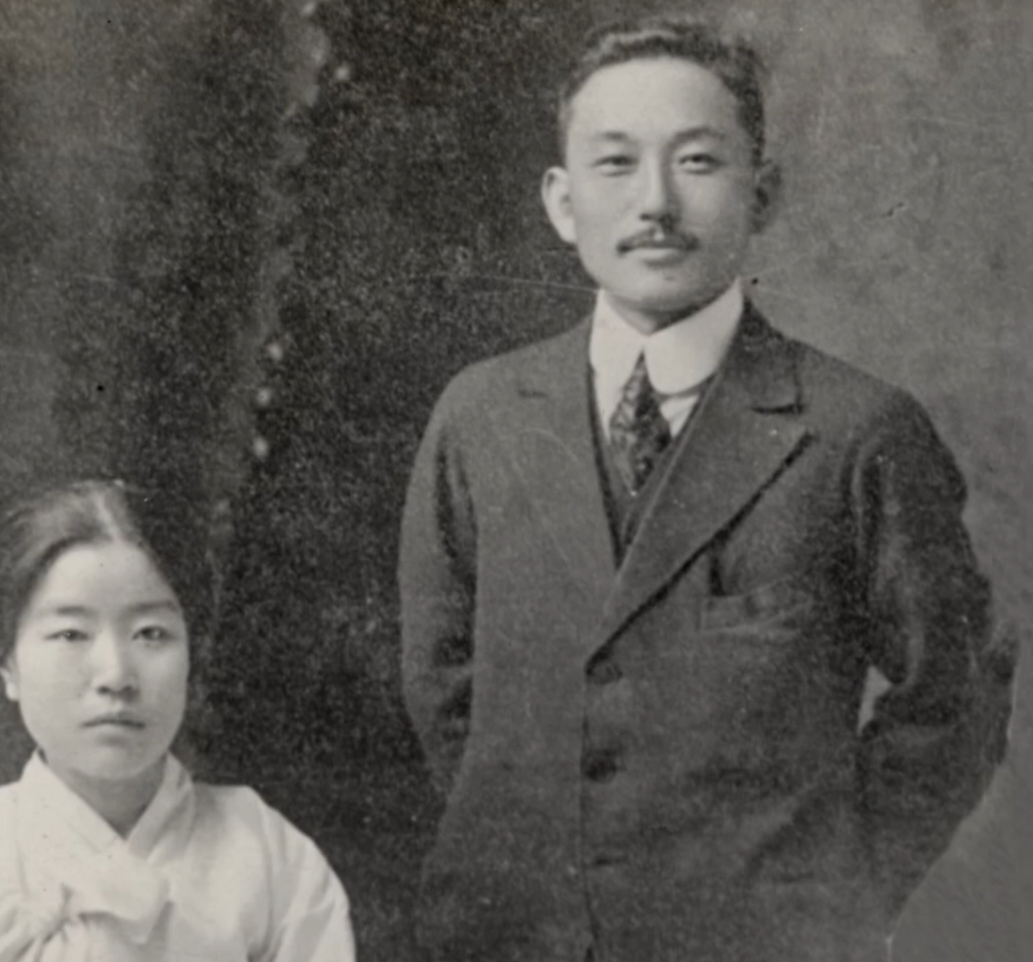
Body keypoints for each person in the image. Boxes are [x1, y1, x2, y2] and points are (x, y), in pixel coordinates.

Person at [399, 18, 1007, 962]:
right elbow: (446, 691)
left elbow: (954, 700)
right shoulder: (480, 418)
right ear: (561, 202)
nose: (655, 203)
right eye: (615, 163)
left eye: (697, 161)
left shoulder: (858, 433)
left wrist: (833, 894)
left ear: (762, 194)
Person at [0, 480, 355, 962]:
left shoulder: (270, 859)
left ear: (192, 654)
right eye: (70, 634)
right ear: (8, 663)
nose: (116, 675)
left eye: (151, 633)